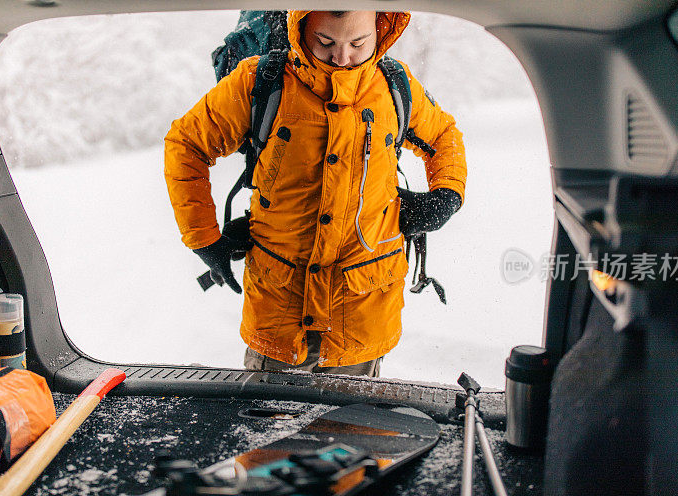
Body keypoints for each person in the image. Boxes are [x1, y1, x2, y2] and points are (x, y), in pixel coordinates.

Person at [164, 10, 467, 377]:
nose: (342, 58)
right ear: (299, 28)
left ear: (381, 29)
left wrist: (446, 195)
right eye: (326, 42)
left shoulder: (394, 86)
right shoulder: (260, 82)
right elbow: (186, 145)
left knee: (351, 431)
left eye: (358, 43)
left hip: (362, 320)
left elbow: (443, 136)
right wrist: (204, 239)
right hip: (278, 322)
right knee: (266, 430)